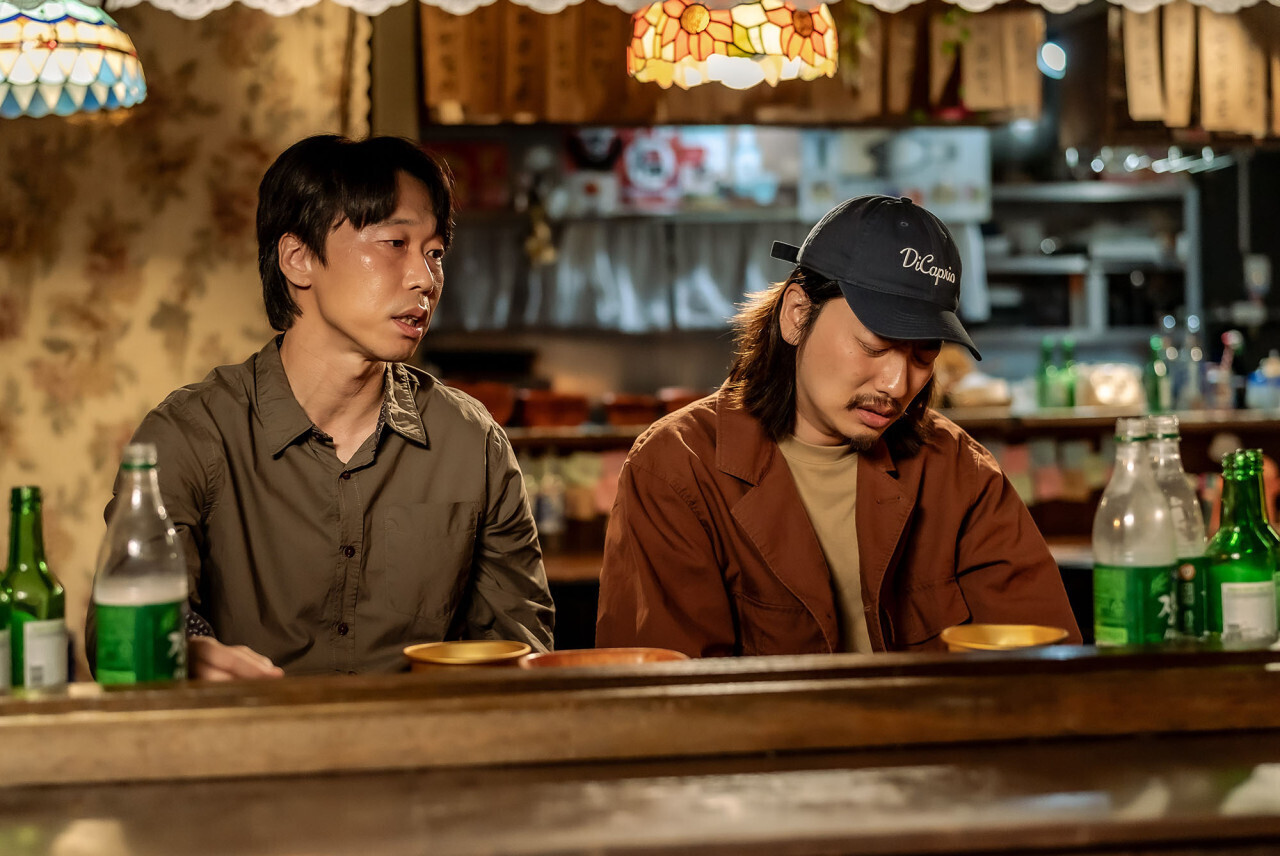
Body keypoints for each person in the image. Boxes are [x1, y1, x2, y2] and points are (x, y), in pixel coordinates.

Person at [89, 135, 555, 679]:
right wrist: (187, 649)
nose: (425, 280)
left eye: (434, 253)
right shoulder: (191, 434)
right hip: (250, 729)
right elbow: (118, 630)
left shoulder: (471, 441)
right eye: (394, 243)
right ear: (299, 259)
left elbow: (523, 646)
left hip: (419, 732)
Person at [596, 195, 1080, 657]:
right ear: (796, 314)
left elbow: (1046, 671)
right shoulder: (676, 471)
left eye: (923, 355)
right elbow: (666, 701)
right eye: (875, 345)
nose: (897, 384)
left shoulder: (960, 473)